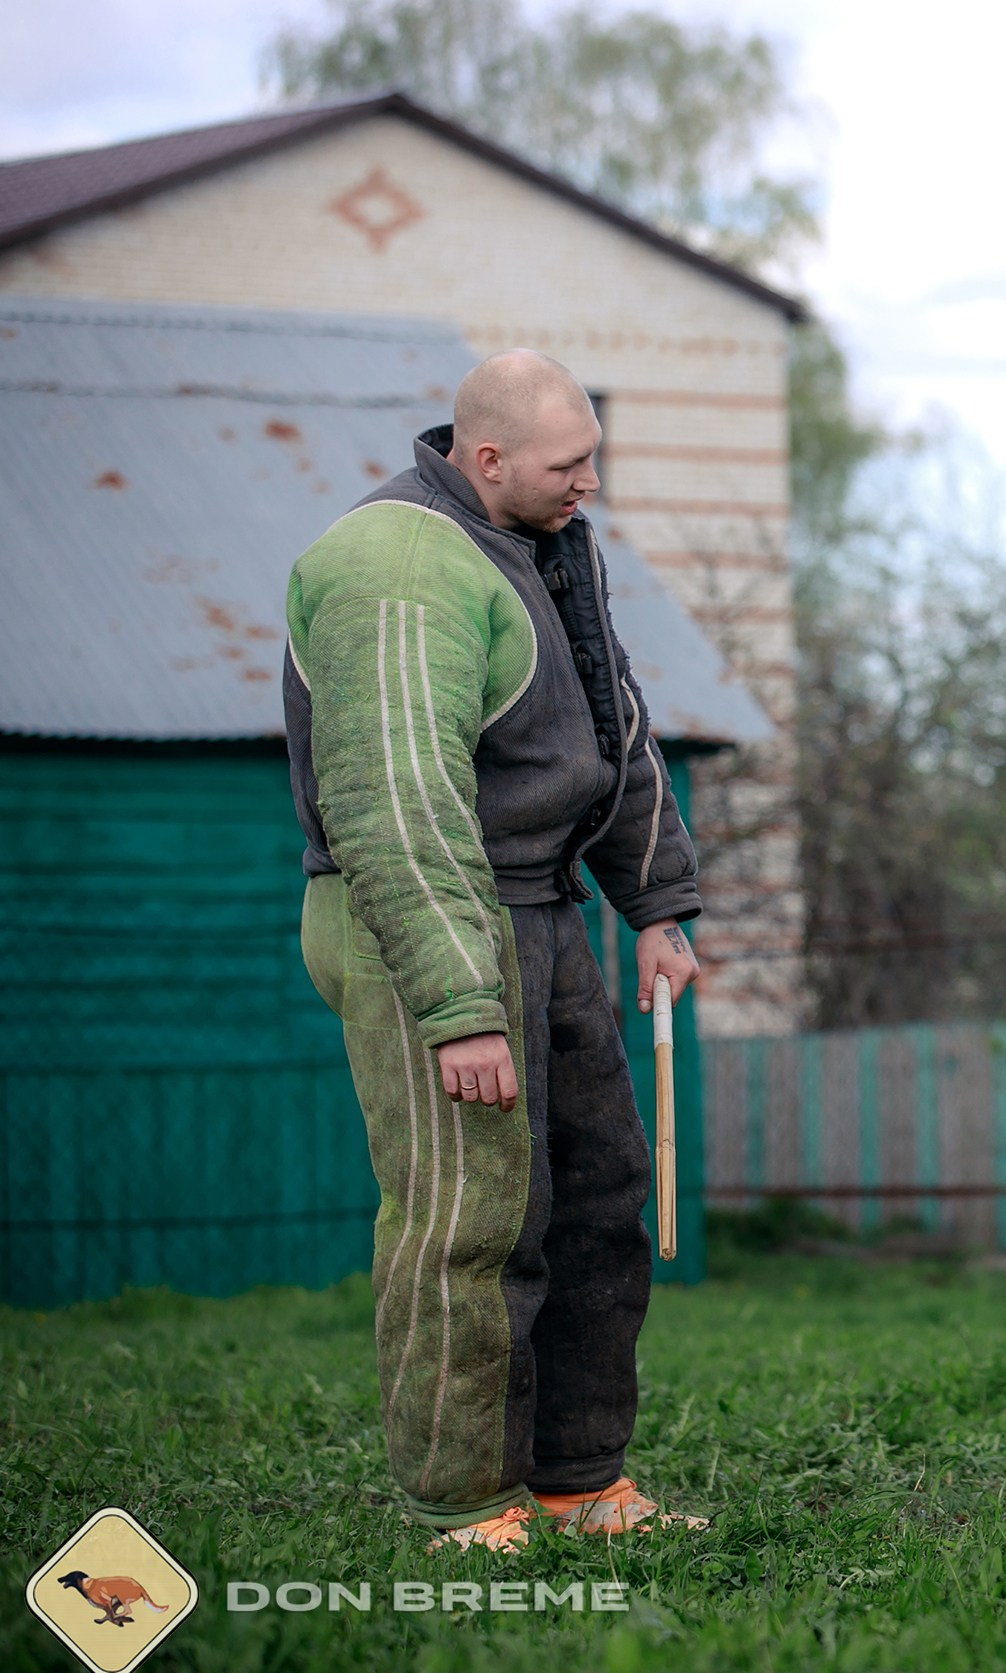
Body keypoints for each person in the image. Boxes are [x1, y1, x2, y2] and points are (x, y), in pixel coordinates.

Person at [283, 350, 711, 1551]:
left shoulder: (542, 543)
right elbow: (395, 801)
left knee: (599, 1196)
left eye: (592, 457)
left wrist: (656, 906)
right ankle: (465, 1502)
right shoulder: (395, 568)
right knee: (473, 1217)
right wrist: (460, 1007)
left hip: (541, 910)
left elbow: (613, 726)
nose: (591, 482)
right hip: (420, 922)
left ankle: (580, 1482)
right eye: (569, 463)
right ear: (487, 458)